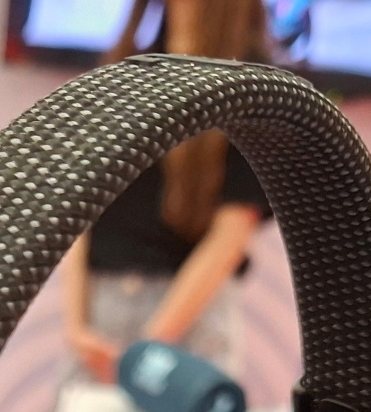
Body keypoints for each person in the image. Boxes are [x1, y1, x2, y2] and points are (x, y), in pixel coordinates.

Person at [61, 0, 270, 382]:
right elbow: (80, 213)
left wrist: (146, 348)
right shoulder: (129, 71)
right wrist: (76, 326)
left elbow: (231, 236)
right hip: (99, 320)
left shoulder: (256, 87)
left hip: (189, 328)